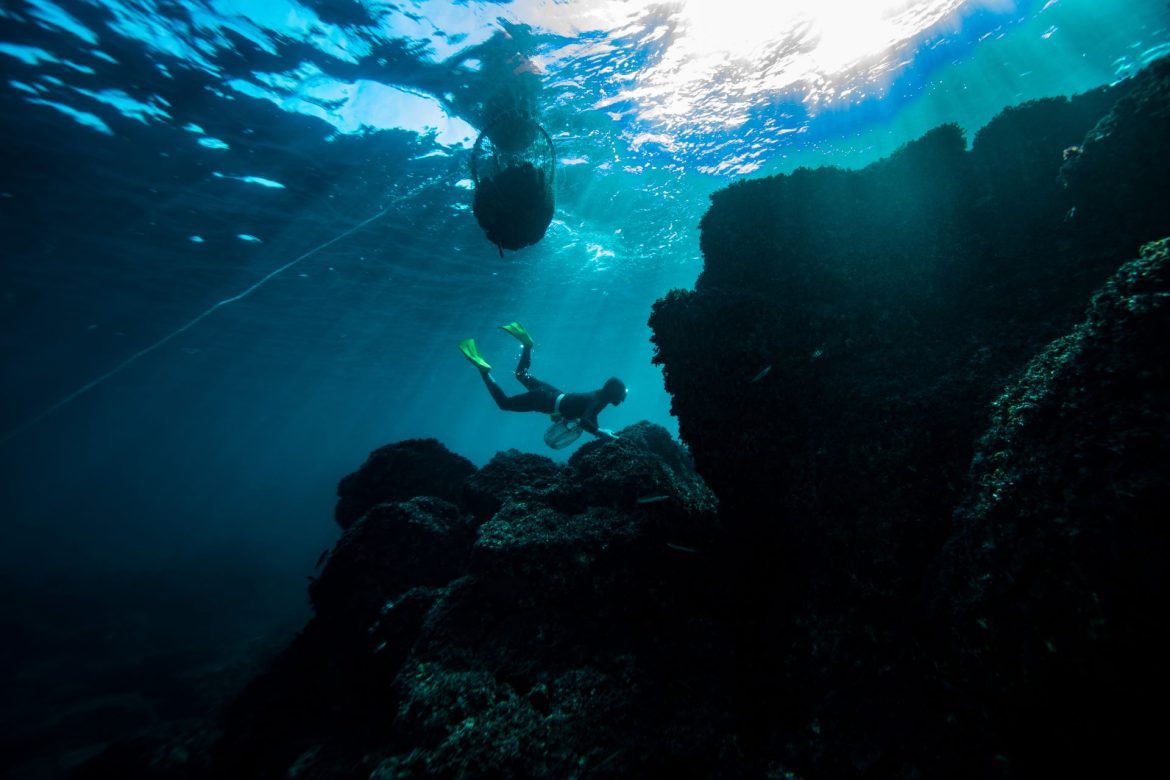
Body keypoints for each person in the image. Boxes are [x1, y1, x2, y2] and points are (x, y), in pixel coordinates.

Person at [458, 322, 626, 441]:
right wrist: (599, 432)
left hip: (551, 392)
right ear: (612, 393)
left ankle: (527, 345)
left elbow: (587, 415)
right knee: (504, 404)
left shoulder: (598, 396)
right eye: (621, 396)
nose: (622, 400)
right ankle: (484, 371)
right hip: (544, 400)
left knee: (521, 374)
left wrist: (599, 429)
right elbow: (585, 420)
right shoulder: (598, 401)